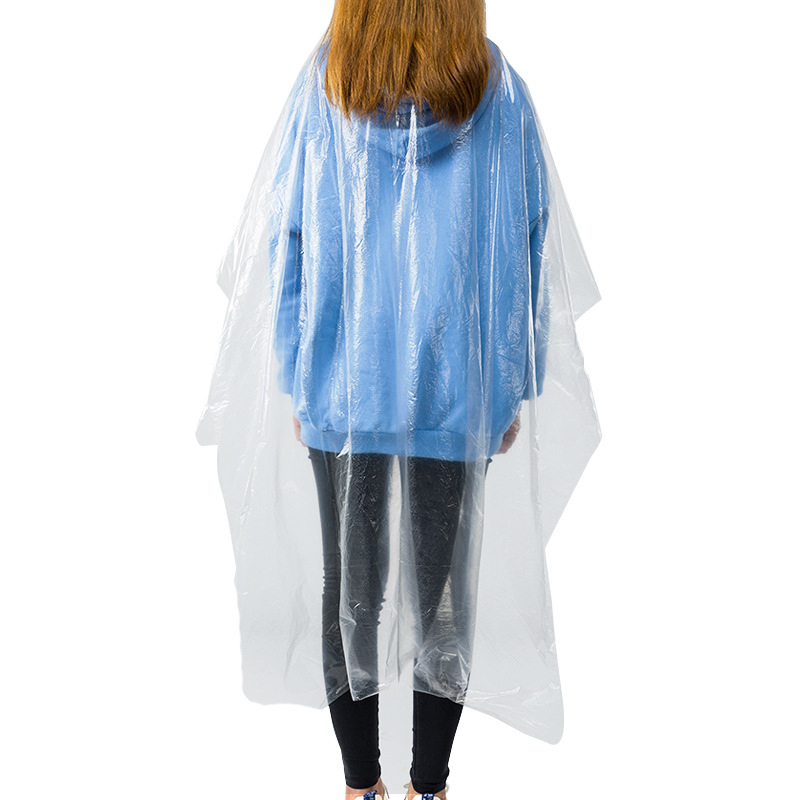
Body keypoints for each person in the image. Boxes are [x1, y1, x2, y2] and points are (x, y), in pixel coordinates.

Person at [195, 0, 601, 797]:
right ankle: (430, 785)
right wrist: (509, 384)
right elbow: (526, 239)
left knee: (349, 584)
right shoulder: (497, 88)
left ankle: (359, 784)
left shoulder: (327, 85)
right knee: (444, 591)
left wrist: (299, 369)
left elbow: (289, 236)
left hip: (344, 381)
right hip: (455, 386)